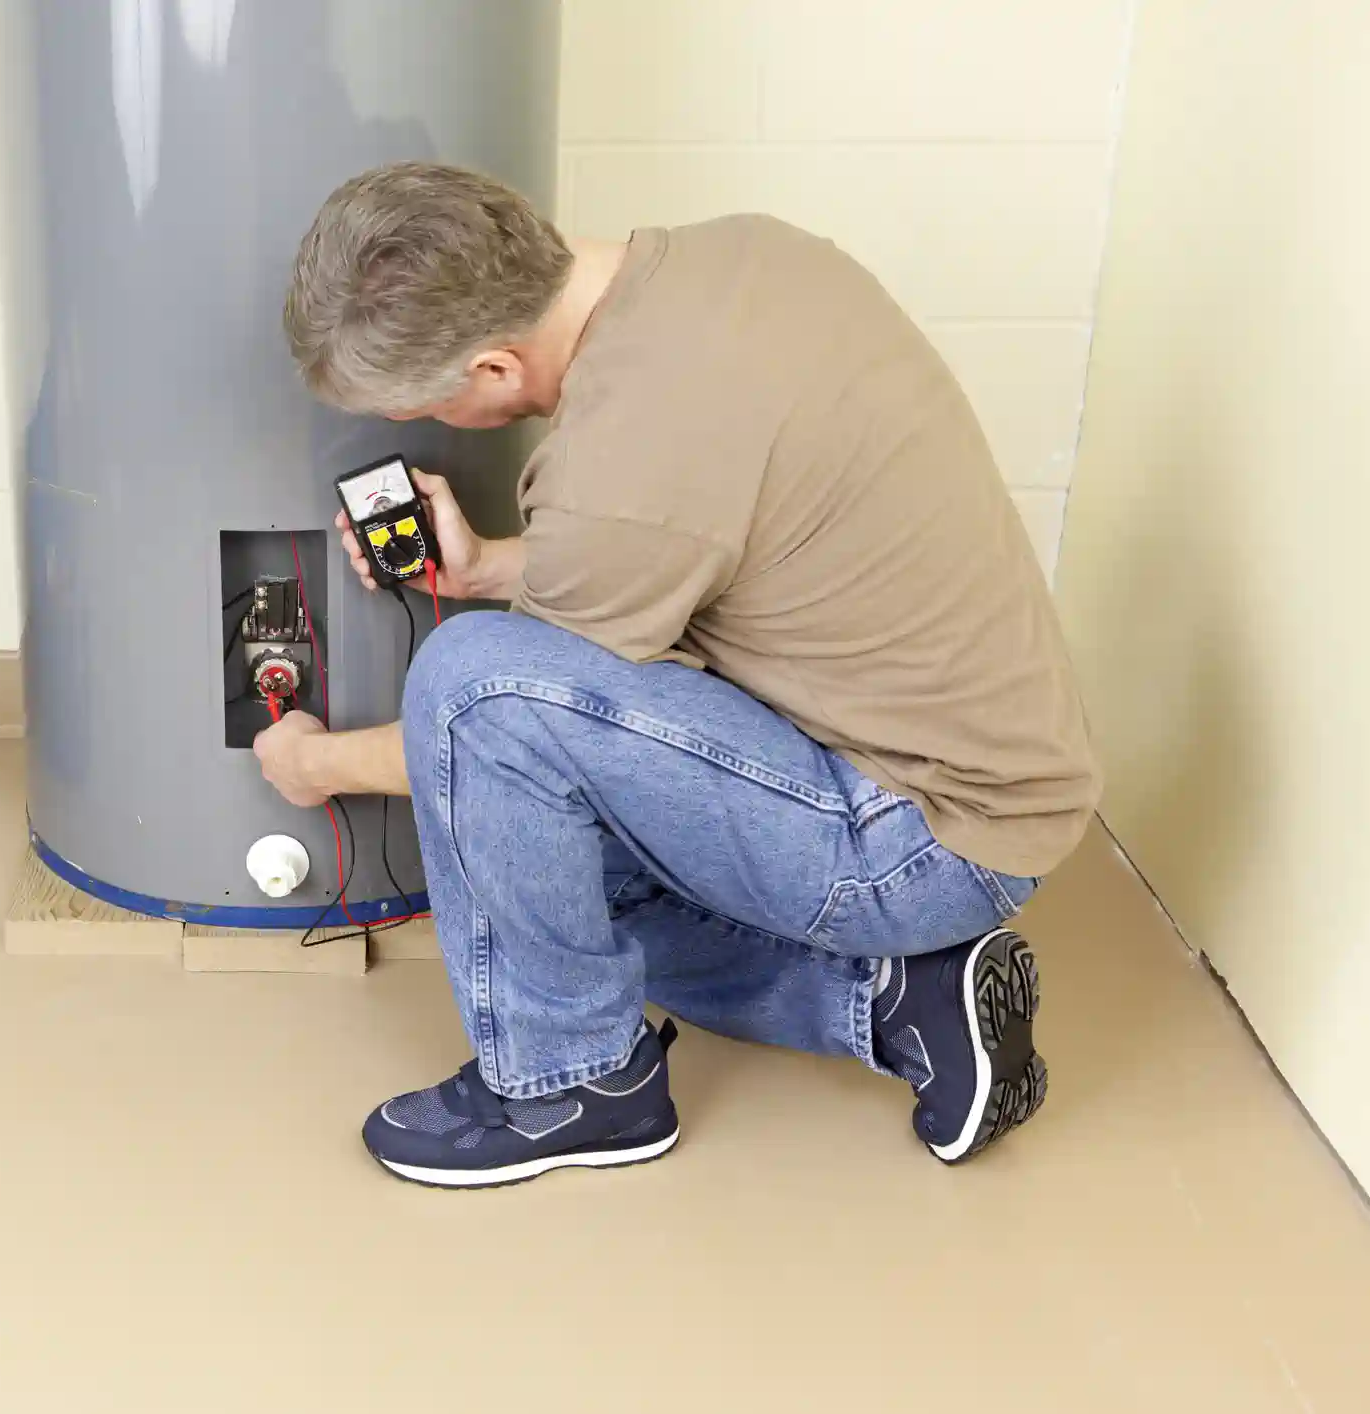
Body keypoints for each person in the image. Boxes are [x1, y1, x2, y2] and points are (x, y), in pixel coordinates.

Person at [256, 161, 1101, 1189]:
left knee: (471, 688)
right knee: (541, 875)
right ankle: (895, 1000)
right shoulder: (747, 259)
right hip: (982, 777)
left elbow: (480, 727)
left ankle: (575, 1081)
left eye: (415, 407)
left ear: (491, 369)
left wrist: (317, 763)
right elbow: (682, 541)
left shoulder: (619, 469)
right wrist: (484, 566)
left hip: (925, 839)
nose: (411, 429)